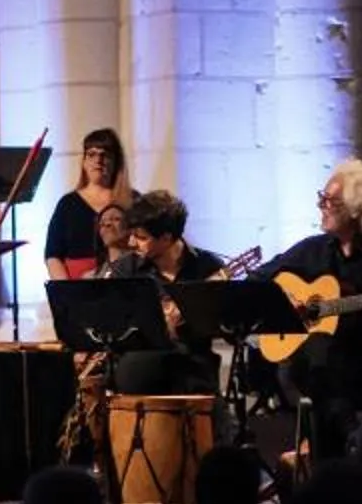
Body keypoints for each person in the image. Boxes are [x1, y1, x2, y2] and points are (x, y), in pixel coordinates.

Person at [259, 158, 362, 459]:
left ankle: (326, 455)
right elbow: (260, 277)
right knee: (318, 355)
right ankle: (351, 439)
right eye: (322, 198)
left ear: (356, 210)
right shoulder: (312, 250)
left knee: (320, 358)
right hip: (317, 369)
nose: (322, 206)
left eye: (331, 201)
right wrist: (284, 300)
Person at [101, 188, 227, 395]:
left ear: (167, 238)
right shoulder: (126, 270)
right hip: (141, 368)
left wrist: (196, 313)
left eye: (140, 237)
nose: (132, 243)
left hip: (191, 370)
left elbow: (226, 329)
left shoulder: (207, 267)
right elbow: (113, 324)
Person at [43, 127, 130, 280]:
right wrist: (67, 291)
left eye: (105, 154)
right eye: (91, 154)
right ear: (84, 161)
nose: (98, 160)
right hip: (77, 287)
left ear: (116, 161)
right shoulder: (68, 204)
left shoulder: (132, 201)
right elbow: (53, 254)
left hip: (123, 283)